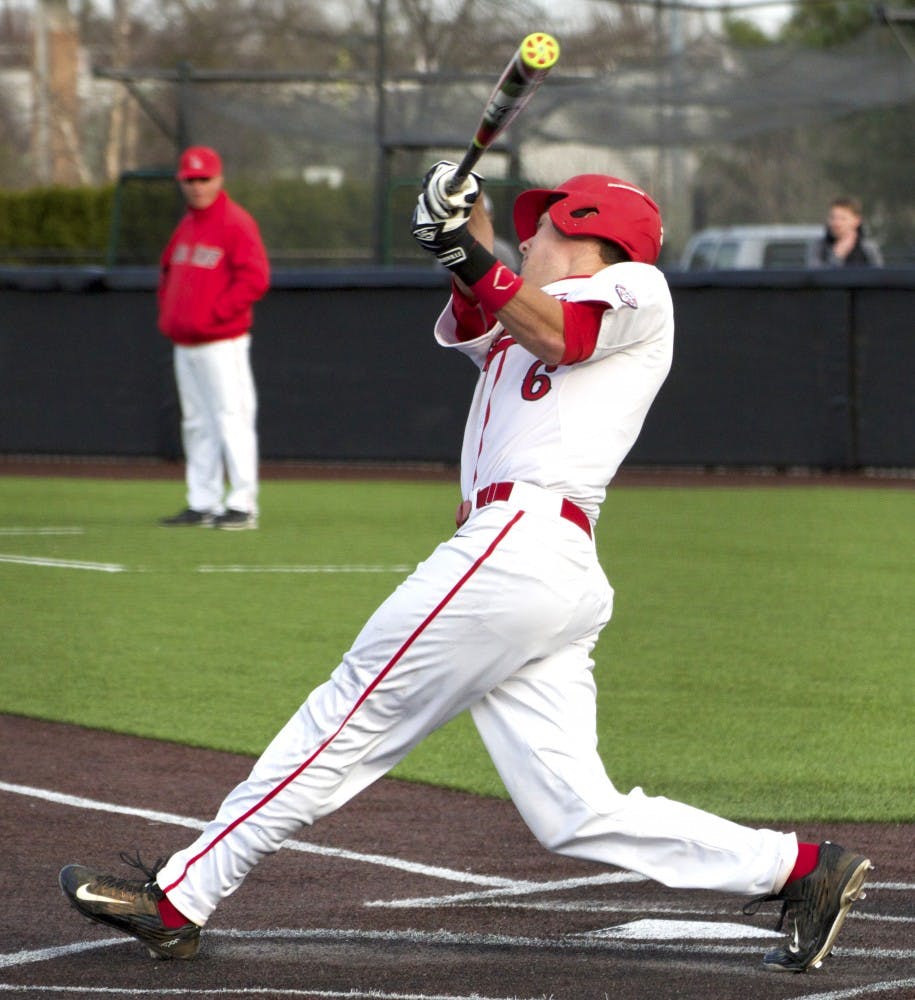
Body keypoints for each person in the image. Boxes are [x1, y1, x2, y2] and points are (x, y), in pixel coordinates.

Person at [59, 163, 871, 974]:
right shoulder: (524, 316)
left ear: (596, 237)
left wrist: (468, 251)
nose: (529, 236)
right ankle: (802, 871)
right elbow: (488, 305)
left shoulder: (635, 290)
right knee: (572, 811)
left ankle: (180, 896)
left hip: (524, 542)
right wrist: (459, 216)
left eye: (546, 226)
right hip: (532, 562)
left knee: (349, 712)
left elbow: (556, 329)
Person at [158, 145, 270, 530]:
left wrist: (214, 315)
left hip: (222, 341)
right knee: (196, 423)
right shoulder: (187, 224)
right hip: (185, 342)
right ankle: (202, 501)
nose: (196, 186)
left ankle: (242, 503)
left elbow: (255, 278)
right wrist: (171, 316)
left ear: (218, 179)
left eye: (203, 178)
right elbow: (168, 274)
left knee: (231, 418)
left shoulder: (235, 222)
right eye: (189, 179)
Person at [815, 196, 882, 267]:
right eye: (833, 218)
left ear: (857, 221)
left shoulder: (868, 248)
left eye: (843, 219)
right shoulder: (818, 247)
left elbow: (878, 275)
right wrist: (837, 256)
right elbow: (816, 275)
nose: (836, 223)